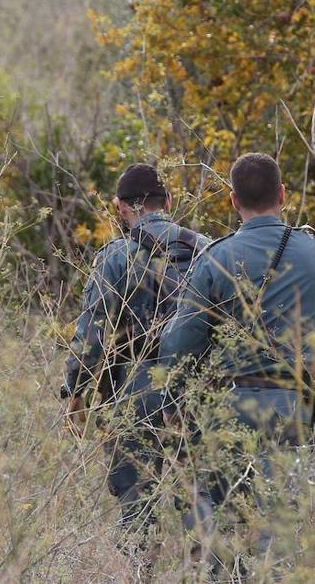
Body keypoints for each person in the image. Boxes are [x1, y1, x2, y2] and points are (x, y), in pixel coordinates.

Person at [159, 152, 315, 567]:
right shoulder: (312, 251)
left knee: (220, 517)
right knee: (277, 522)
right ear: (283, 194)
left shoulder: (215, 257)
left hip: (227, 407)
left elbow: (179, 343)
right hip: (291, 405)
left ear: (233, 201)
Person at [60, 162, 208, 546]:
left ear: (121, 207)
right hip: (203, 390)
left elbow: (92, 338)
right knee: (205, 506)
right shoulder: (210, 250)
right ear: (170, 201)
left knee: (138, 511)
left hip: (137, 391)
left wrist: (75, 392)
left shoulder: (114, 257)